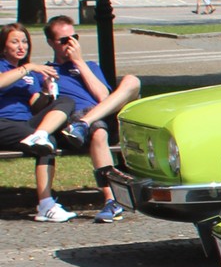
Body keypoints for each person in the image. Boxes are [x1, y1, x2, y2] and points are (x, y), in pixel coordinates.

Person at [40, 18, 140, 222]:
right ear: (50, 42)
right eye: (64, 40)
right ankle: (111, 200)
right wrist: (45, 90)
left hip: (101, 114)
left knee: (132, 81)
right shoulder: (47, 71)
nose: (70, 44)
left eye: (74, 38)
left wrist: (79, 62)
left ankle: (84, 123)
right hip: (73, 120)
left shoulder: (90, 66)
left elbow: (103, 96)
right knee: (98, 132)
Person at [0, 23, 74, 221]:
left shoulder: (31, 76)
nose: (21, 46)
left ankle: (45, 205)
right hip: (3, 123)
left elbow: (36, 104)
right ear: (3, 46)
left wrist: (47, 92)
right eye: (14, 42)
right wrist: (29, 67)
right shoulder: (7, 67)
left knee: (66, 102)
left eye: (24, 42)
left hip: (25, 124)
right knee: (46, 141)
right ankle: (46, 205)